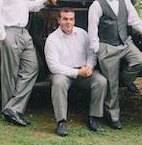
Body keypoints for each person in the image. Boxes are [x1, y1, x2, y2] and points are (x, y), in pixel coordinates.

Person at [88, 0, 142, 130]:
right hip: (107, 46)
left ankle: (125, 80)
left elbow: (133, 19)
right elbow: (92, 30)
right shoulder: (96, 5)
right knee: (111, 86)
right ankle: (114, 116)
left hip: (125, 43)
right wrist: (98, 49)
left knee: (140, 61)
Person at [45, 8, 107, 137]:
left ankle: (93, 118)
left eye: (71, 19)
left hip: (83, 71)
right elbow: (53, 67)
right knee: (59, 83)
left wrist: (89, 66)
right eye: (65, 19)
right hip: (62, 73)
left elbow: (92, 54)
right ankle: (61, 122)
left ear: (74, 20)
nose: (68, 22)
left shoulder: (83, 34)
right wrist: (77, 72)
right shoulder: (52, 40)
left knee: (101, 81)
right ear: (59, 20)